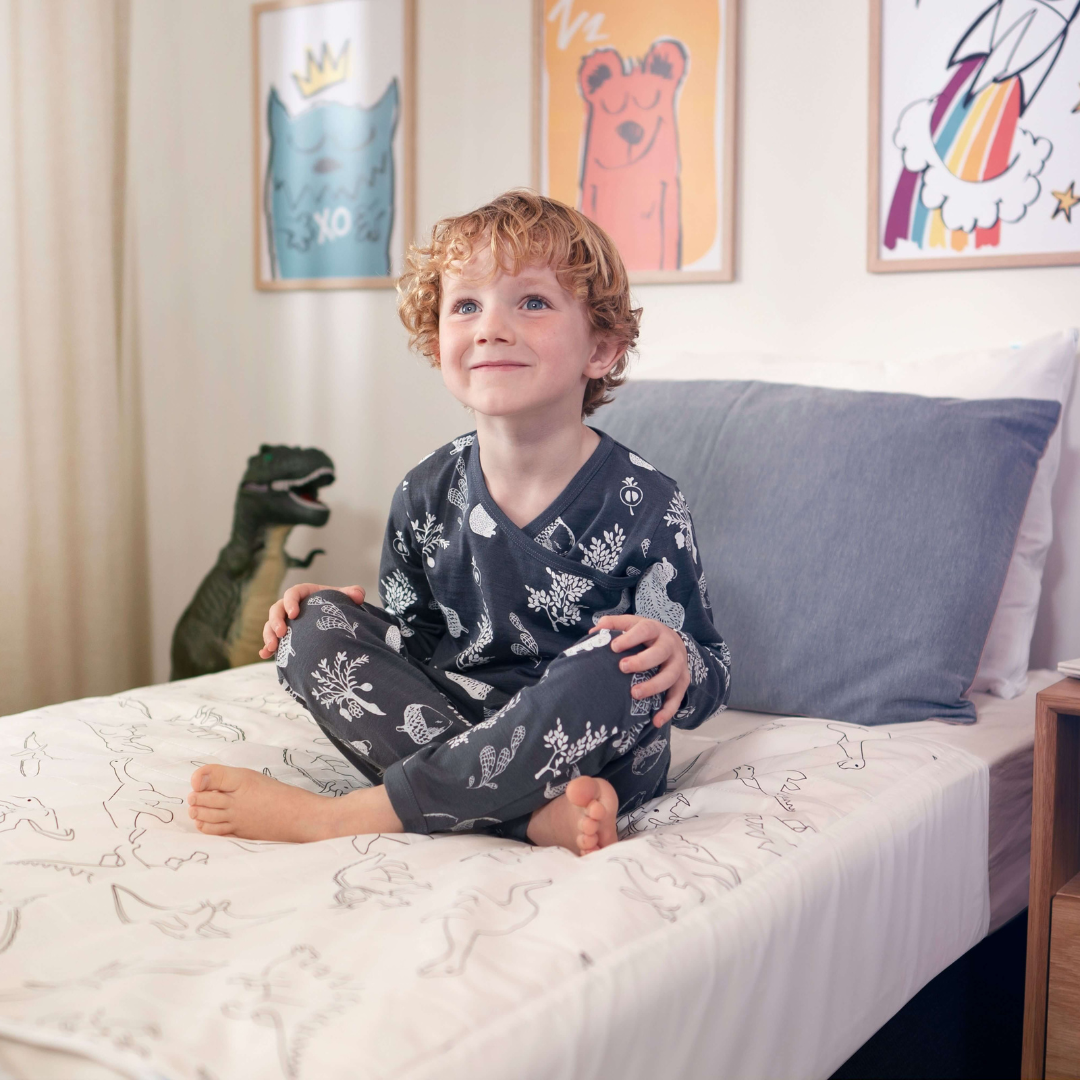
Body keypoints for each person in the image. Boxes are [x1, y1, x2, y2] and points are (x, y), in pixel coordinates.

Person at [187, 191, 730, 854]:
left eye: (531, 302)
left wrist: (680, 660)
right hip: (454, 721)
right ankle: (528, 818)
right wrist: (336, 614)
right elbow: (415, 647)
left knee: (619, 661)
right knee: (308, 626)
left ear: (601, 349)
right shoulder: (424, 491)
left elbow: (708, 670)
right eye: (466, 305)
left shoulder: (647, 500)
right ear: (437, 340)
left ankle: (349, 817)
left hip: (593, 749)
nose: (490, 327)